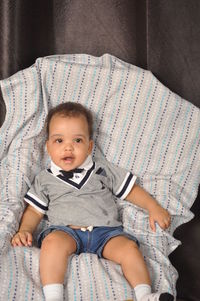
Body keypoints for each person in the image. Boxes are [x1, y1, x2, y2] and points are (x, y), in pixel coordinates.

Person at [11, 102, 173, 301]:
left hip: (107, 232)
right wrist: (25, 230)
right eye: (59, 140)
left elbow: (131, 190)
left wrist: (153, 207)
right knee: (52, 245)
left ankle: (145, 295)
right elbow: (34, 211)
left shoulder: (102, 170)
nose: (68, 147)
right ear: (48, 147)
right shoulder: (44, 179)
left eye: (77, 140)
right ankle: (53, 297)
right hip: (65, 231)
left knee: (130, 250)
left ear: (89, 146)